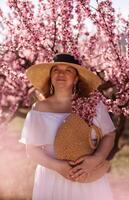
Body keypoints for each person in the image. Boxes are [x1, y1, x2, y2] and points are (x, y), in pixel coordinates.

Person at [20, 53, 116, 200]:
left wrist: (96, 159)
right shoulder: (39, 109)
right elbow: (31, 149)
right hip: (52, 178)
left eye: (68, 70)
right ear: (50, 77)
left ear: (76, 78)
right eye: (56, 70)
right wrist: (58, 166)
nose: (61, 74)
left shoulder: (92, 105)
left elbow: (109, 134)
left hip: (88, 174)